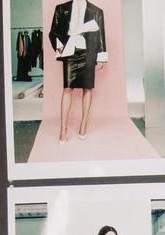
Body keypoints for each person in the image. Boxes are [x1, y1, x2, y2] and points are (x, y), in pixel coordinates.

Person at [49, 0, 108, 142]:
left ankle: (83, 125)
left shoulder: (96, 11)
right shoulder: (61, 8)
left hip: (88, 53)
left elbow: (100, 35)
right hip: (69, 52)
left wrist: (101, 56)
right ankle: (63, 129)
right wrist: (59, 46)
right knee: (67, 89)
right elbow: (53, 32)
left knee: (87, 88)